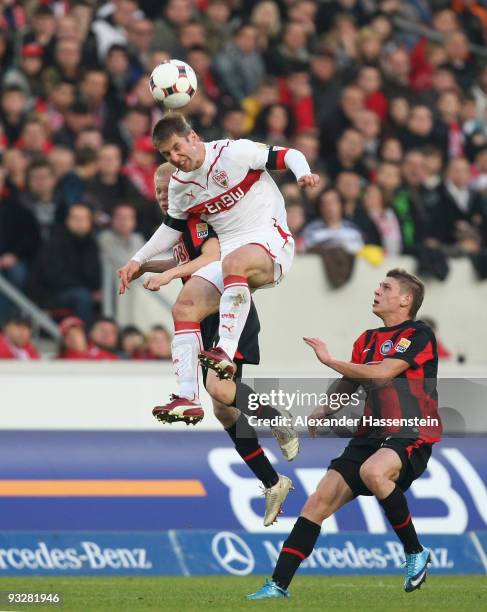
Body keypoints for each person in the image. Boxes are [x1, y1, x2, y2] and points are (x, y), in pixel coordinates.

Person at [248, 268, 441, 599]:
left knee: (373, 472)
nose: (377, 290)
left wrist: (329, 360)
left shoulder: (418, 334)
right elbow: (351, 382)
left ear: (405, 299)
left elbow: (382, 374)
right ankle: (277, 586)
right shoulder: (366, 340)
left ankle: (415, 552)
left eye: (386, 287)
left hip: (410, 433)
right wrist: (326, 408)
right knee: (317, 502)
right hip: (369, 436)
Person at [118, 112, 318, 421]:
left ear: (193, 137)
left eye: (177, 147)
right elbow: (171, 229)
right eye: (167, 154)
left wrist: (303, 173)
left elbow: (288, 154)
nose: (175, 157)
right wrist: (137, 260)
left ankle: (224, 350)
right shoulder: (180, 186)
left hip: (270, 241)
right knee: (184, 306)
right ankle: (187, 396)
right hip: (230, 256)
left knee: (234, 263)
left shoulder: (233, 153)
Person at [134, 162, 299, 526]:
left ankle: (276, 418)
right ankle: (273, 482)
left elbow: (210, 257)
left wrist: (167, 275)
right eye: (158, 190)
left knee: (219, 391)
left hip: (226, 312)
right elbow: (186, 257)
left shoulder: (202, 217)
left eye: (168, 189)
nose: (164, 196)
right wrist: (146, 266)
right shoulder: (178, 227)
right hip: (203, 316)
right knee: (224, 409)